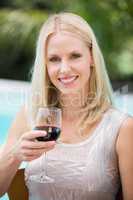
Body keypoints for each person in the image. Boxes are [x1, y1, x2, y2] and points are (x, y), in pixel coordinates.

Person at [0, 12, 133, 200]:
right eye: (54, 59)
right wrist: (15, 156)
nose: (64, 68)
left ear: (92, 58)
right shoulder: (29, 115)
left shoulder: (122, 128)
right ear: (45, 65)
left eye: (75, 56)